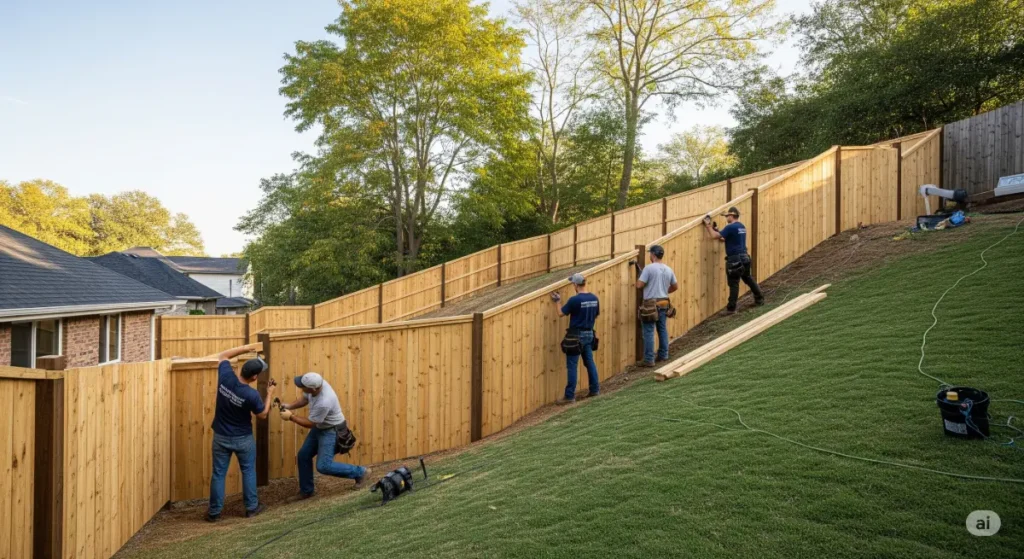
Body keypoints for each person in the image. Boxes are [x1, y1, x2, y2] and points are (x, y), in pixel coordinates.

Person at [207, 343, 276, 522]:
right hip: (242, 438)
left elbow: (223, 355)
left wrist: (247, 349)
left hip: (221, 436)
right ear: (254, 377)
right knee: (248, 471)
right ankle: (252, 508)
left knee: (218, 474)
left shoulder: (226, 377)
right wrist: (269, 394)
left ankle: (214, 513)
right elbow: (262, 414)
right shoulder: (251, 395)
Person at [279, 372, 369, 499]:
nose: (300, 387)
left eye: (302, 386)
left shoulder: (324, 401)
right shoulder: (317, 384)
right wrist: (289, 406)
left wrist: (291, 417)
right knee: (303, 456)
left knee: (323, 466)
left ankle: (360, 472)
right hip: (321, 427)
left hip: (331, 430)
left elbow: (311, 423)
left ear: (313, 388)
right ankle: (307, 490)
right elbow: (304, 398)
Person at [549, 273, 599, 404]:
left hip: (576, 336)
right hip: (589, 334)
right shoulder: (594, 298)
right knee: (590, 363)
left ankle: (569, 396)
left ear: (576, 285)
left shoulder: (574, 300)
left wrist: (558, 301)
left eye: (573, 284)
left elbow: (560, 313)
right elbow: (596, 315)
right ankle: (595, 389)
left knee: (572, 366)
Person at [704, 206, 764, 313]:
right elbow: (724, 239)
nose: (726, 218)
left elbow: (714, 236)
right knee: (748, 278)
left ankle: (731, 308)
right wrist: (717, 230)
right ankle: (759, 299)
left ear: (731, 216)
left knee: (733, 283)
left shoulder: (730, 227)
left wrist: (708, 225)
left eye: (727, 216)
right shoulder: (741, 226)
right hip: (745, 257)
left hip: (735, 259)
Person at [636, 245, 678, 367]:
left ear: (653, 255)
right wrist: (664, 291)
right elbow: (675, 286)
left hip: (650, 305)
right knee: (662, 329)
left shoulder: (648, 269)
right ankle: (664, 355)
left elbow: (639, 285)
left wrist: (640, 278)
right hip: (664, 302)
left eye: (650, 254)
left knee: (649, 331)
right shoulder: (668, 269)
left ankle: (649, 359)